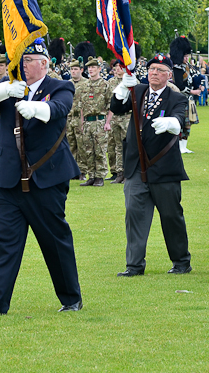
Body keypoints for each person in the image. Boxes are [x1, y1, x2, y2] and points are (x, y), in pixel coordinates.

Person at [0, 38, 82, 316]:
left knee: (54, 241)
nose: (23, 65)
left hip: (45, 179)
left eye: (29, 61)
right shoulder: (10, 88)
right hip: (7, 179)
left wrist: (37, 109)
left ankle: (71, 299)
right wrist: (5, 89)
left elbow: (59, 109)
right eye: (20, 61)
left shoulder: (60, 86)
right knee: (4, 243)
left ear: (44, 63)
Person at [111, 54, 192, 277]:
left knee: (171, 216)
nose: (153, 72)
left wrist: (170, 123)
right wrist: (120, 89)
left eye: (159, 69)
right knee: (134, 214)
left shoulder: (176, 98)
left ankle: (181, 261)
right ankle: (134, 265)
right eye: (151, 69)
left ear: (168, 75)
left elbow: (180, 121)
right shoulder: (138, 92)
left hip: (164, 167)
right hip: (136, 166)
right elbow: (117, 108)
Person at [77, 57, 112, 187]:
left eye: (93, 67)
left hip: (100, 121)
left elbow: (111, 106)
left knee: (100, 150)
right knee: (88, 151)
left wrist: (108, 123)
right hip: (87, 122)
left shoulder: (105, 85)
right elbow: (81, 107)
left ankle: (100, 177)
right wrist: (81, 123)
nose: (91, 70)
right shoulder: (83, 86)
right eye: (89, 68)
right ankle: (91, 176)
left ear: (99, 69)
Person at [106, 60, 133, 184]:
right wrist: (108, 120)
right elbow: (109, 103)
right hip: (115, 117)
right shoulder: (110, 82)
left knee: (128, 145)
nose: (117, 69)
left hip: (127, 117)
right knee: (117, 146)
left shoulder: (132, 81)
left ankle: (129, 172)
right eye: (115, 66)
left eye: (120, 66)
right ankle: (119, 173)